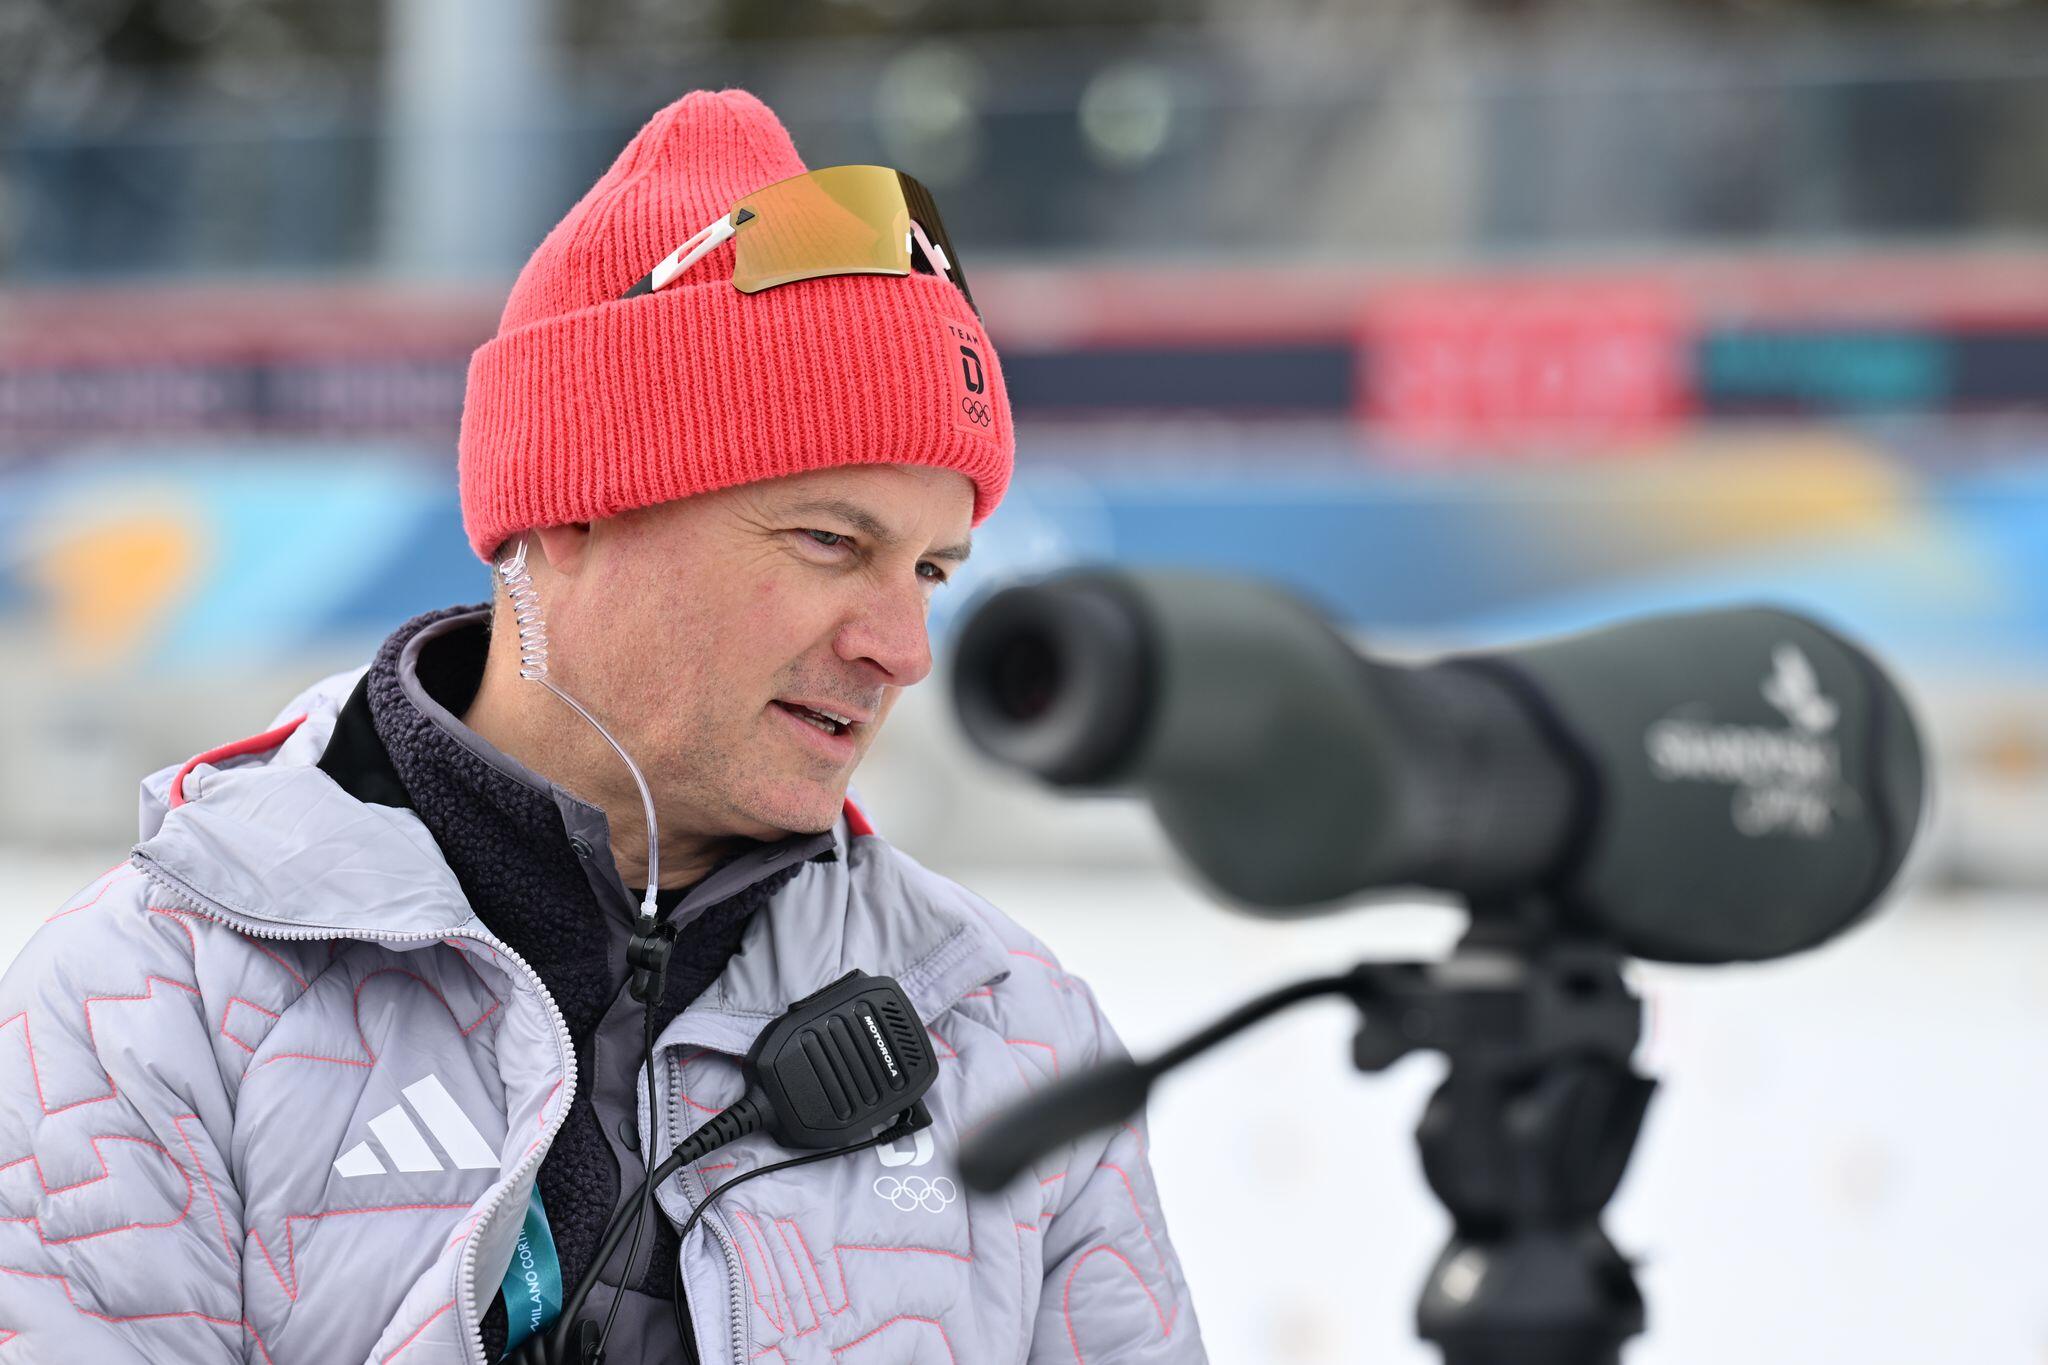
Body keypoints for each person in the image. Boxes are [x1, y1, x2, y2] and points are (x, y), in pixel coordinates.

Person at [0, 89, 1205, 1364]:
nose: (902, 651)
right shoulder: (152, 1006)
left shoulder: (1007, 1032)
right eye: (829, 542)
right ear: (574, 511)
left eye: (930, 572)